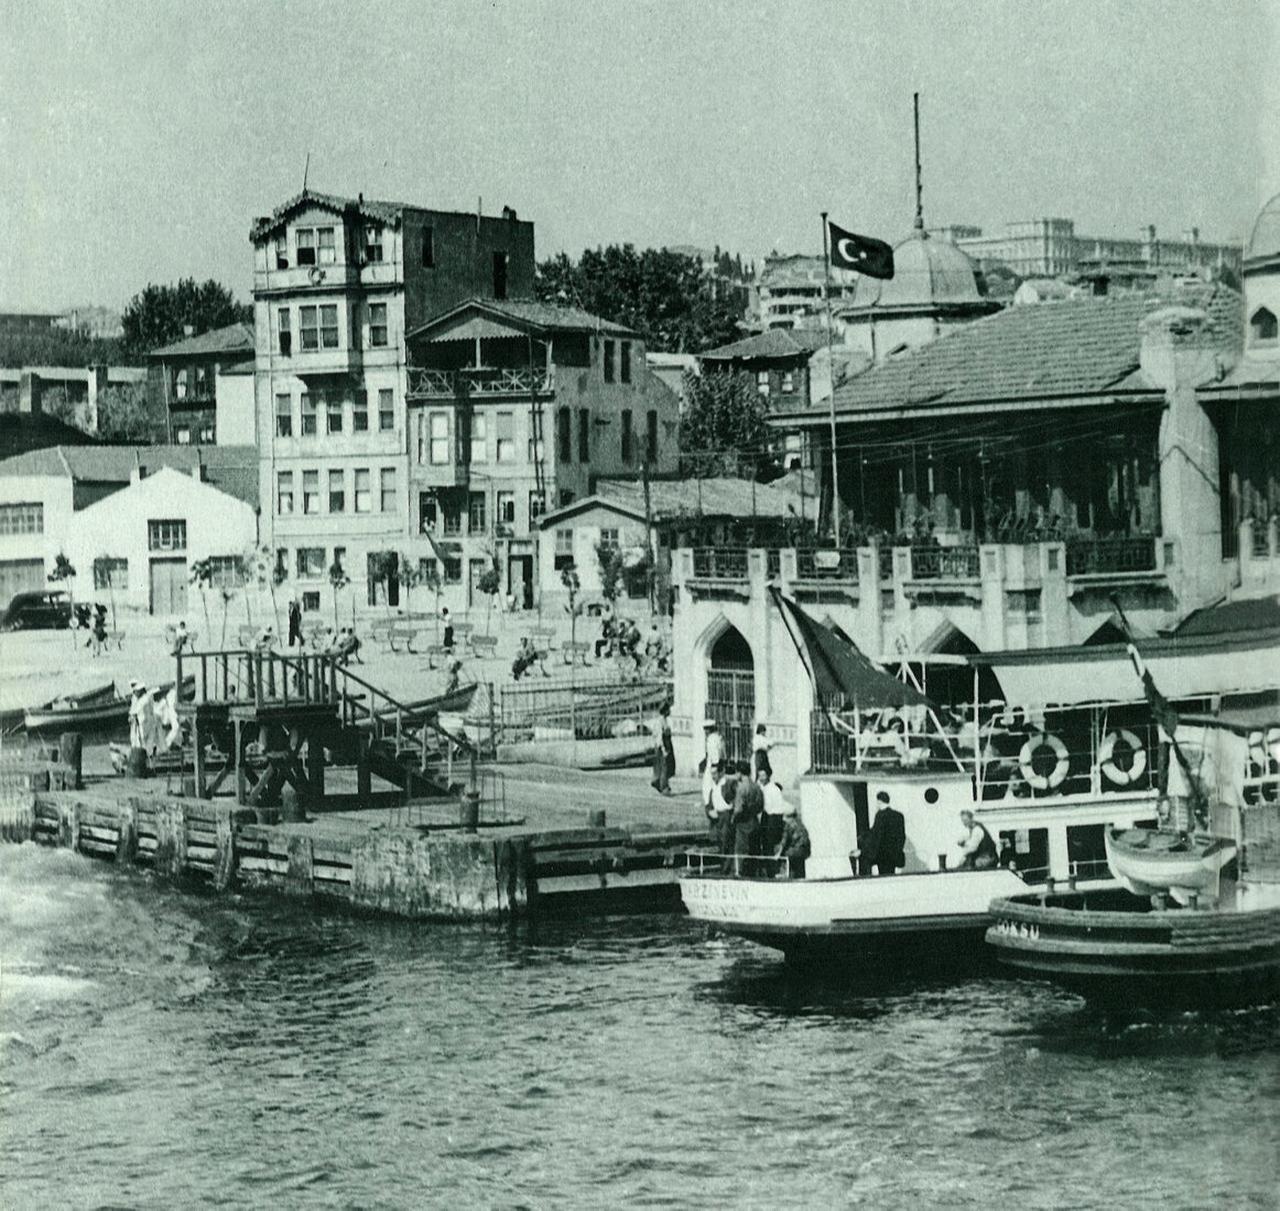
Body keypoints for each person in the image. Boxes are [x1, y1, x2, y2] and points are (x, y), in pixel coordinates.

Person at [858, 789, 906, 876]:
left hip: (883, 856)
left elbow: (876, 836)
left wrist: (865, 849)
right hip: (895, 855)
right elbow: (902, 836)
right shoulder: (899, 816)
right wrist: (898, 850)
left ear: (879, 802)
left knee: (884, 878)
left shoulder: (880, 816)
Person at [732, 760, 764, 876]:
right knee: (754, 850)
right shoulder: (757, 787)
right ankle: (754, 873)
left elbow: (738, 809)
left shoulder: (741, 788)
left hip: (743, 823)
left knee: (740, 850)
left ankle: (739, 873)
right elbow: (760, 806)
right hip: (754, 821)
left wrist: (734, 819)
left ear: (740, 773)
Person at [759, 767, 790, 856]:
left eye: (763, 775)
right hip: (769, 817)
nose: (761, 778)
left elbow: (767, 806)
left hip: (772, 818)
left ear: (768, 776)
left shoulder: (772, 788)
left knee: (769, 845)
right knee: (766, 845)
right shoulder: (765, 787)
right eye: (760, 776)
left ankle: (771, 867)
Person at [775, 812, 811, 879]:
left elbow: (783, 842)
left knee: (786, 855)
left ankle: (784, 874)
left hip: (796, 850)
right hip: (805, 850)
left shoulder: (788, 825)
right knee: (800, 866)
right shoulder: (800, 823)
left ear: (788, 817)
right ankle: (800, 877)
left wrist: (778, 854)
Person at [700, 718, 724, 813]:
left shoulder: (711, 739)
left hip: (713, 765)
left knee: (708, 785)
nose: (705, 731)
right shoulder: (718, 737)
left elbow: (715, 755)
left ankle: (709, 804)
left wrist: (714, 767)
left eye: (706, 729)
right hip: (717, 764)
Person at [650, 703, 675, 795]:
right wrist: (663, 749)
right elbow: (660, 736)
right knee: (664, 767)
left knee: (665, 766)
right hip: (662, 746)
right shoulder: (660, 721)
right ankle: (663, 786)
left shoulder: (665, 720)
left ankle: (659, 782)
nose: (670, 711)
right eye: (668, 710)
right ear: (665, 711)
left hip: (666, 745)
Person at [127, 679, 153, 753]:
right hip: (139, 721)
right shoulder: (137, 697)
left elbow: (136, 710)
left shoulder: (145, 699)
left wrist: (132, 715)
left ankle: (144, 753)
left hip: (143, 721)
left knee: (142, 738)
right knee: (136, 738)